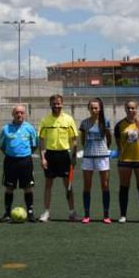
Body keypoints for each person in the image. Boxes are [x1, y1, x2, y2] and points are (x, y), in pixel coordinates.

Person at [37, 94, 78, 222]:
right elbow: (41, 140)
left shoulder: (69, 119)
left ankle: (72, 212)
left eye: (59, 103)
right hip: (50, 155)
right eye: (54, 103)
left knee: (68, 185)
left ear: (62, 104)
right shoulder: (45, 120)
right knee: (48, 184)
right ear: (50, 105)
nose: (57, 106)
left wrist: (74, 156)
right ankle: (46, 212)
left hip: (64, 155)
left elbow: (74, 139)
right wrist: (43, 158)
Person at [0, 104, 38, 221]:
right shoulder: (6, 128)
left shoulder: (30, 128)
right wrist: (11, 154)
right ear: (13, 114)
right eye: (17, 113)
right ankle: (7, 213)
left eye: (21, 112)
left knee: (28, 187)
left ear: (25, 114)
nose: (19, 115)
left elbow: (34, 145)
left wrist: (25, 154)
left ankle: (30, 213)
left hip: (25, 161)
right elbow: (2, 146)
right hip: (10, 161)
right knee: (9, 187)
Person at [114, 100, 139, 223]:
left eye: (133, 108)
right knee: (124, 187)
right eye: (128, 108)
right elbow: (118, 142)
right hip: (125, 160)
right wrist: (121, 152)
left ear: (137, 108)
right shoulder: (119, 125)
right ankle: (123, 215)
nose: (130, 110)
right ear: (125, 109)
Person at [78, 98, 112, 224]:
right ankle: (86, 214)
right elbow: (82, 139)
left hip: (102, 157)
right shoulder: (84, 123)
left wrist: (104, 149)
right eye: (91, 108)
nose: (94, 110)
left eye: (96, 108)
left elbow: (109, 138)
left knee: (105, 185)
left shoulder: (105, 122)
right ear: (88, 109)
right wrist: (88, 149)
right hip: (88, 157)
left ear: (100, 109)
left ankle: (106, 215)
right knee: (87, 185)